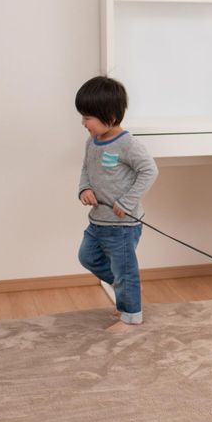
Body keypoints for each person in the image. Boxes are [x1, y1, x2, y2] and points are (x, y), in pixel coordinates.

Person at [75, 76, 159, 332]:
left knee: (125, 270)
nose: (83, 123)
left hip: (122, 225)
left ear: (109, 115)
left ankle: (131, 317)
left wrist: (127, 200)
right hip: (98, 221)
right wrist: (85, 188)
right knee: (87, 257)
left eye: (88, 117)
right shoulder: (92, 143)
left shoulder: (128, 145)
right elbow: (86, 169)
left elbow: (149, 171)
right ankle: (127, 286)